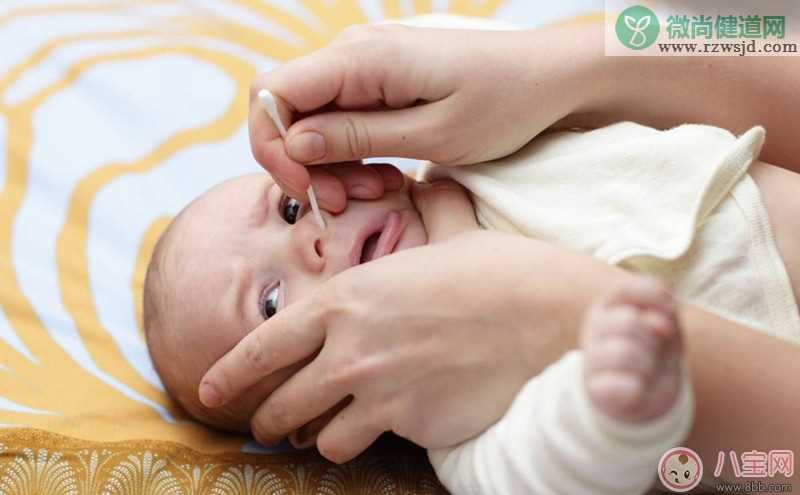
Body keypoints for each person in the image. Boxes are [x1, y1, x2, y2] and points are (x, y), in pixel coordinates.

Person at [195, 20, 800, 490]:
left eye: (290, 209)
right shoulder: (454, 416)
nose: (312, 240)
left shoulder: (471, 145)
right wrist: (614, 401)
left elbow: (763, 35)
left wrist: (562, 59)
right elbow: (553, 476)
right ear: (314, 411)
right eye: (271, 302)